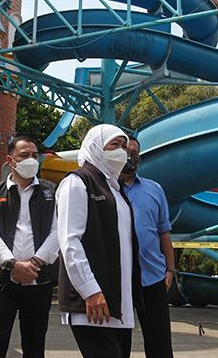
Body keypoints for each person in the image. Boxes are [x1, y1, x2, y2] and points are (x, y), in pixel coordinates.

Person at [55, 124, 143, 358]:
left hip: (118, 305)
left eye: (124, 146)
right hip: (93, 303)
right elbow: (70, 241)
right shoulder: (77, 182)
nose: (121, 152)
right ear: (95, 147)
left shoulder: (116, 189)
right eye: (114, 145)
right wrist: (90, 290)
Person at [0, 136, 60, 358]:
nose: (31, 160)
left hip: (39, 280)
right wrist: (13, 265)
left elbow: (58, 232)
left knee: (35, 347)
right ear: (10, 160)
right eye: (24, 155)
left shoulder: (51, 192)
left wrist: (34, 264)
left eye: (35, 156)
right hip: (2, 281)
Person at [119, 136, 175, 358]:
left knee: (159, 342)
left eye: (133, 152)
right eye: (124, 151)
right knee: (119, 344)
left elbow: (164, 232)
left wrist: (170, 270)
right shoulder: (106, 188)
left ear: (139, 157)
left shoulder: (155, 189)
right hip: (119, 280)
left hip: (153, 278)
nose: (129, 156)